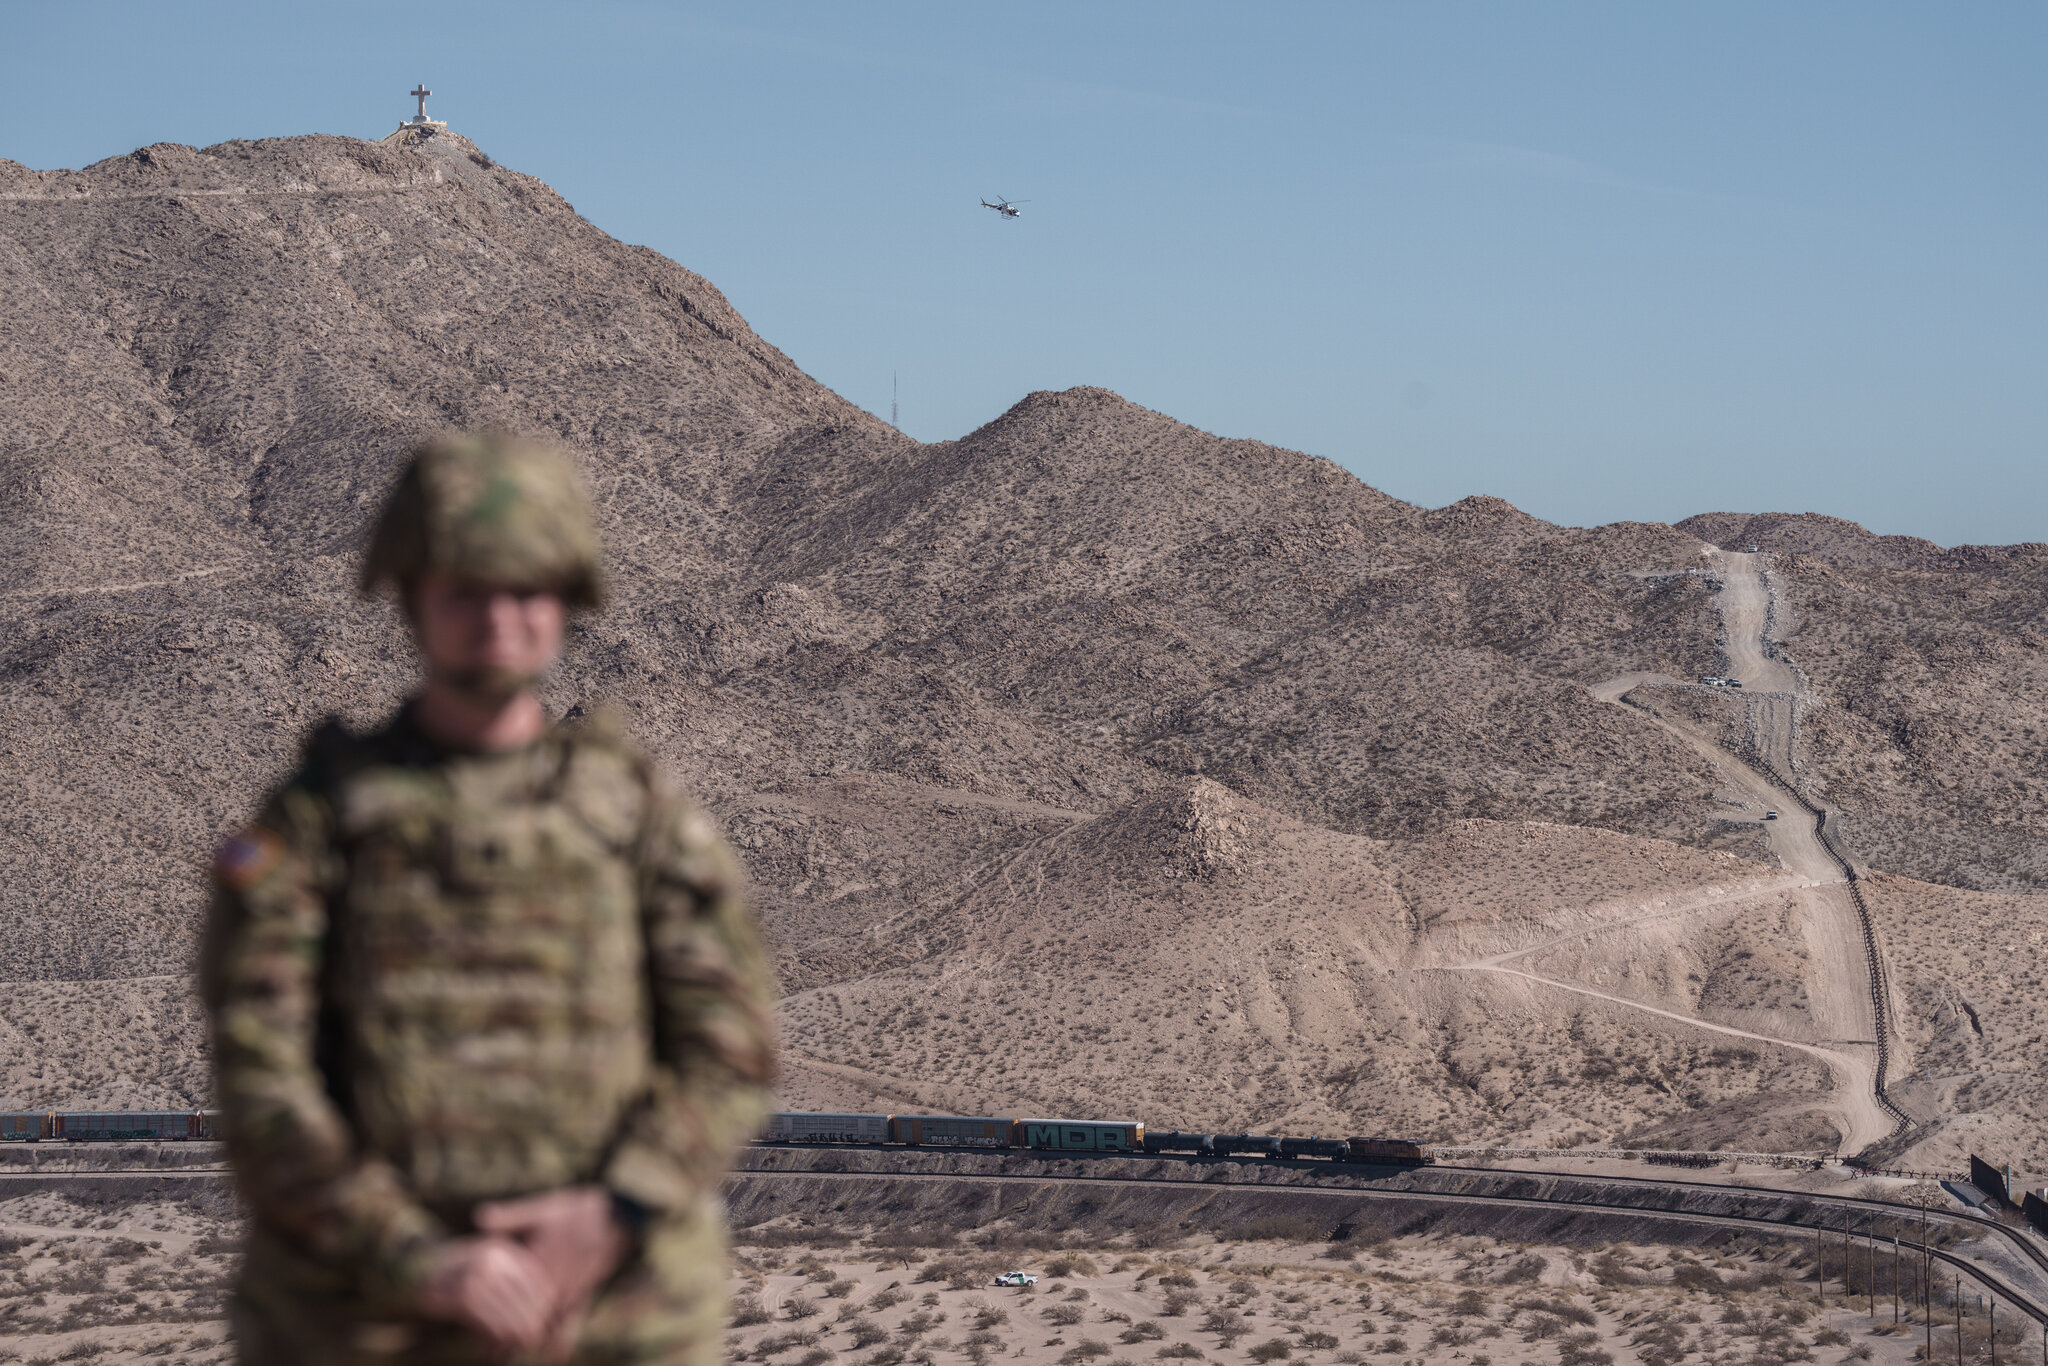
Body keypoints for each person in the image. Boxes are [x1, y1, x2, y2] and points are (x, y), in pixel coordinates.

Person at [201, 432, 777, 1365]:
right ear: (412, 597)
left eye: (527, 589)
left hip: (609, 1313)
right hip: (371, 1317)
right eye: (466, 588)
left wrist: (615, 1210)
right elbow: (261, 1075)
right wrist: (417, 1257)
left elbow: (730, 1046)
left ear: (567, 602)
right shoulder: (316, 826)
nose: (498, 617)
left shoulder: (638, 820)